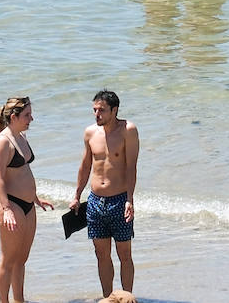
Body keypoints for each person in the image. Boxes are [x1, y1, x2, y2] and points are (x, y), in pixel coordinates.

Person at [70, 90, 140, 302]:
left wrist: (130, 199)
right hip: (95, 202)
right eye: (94, 110)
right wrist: (76, 195)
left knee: (124, 254)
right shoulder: (90, 133)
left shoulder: (128, 130)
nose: (97, 114)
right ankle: (108, 298)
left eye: (101, 110)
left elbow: (131, 167)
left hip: (119, 200)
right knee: (101, 254)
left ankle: (127, 298)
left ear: (114, 110)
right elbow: (85, 166)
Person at [0, 96, 53, 303]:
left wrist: (35, 198)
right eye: (27, 115)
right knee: (8, 260)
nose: (31, 119)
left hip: (27, 205)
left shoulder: (21, 137)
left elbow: (23, 172)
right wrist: (7, 209)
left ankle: (19, 300)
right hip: (10, 204)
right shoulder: (2, 142)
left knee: (21, 259)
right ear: (14, 117)